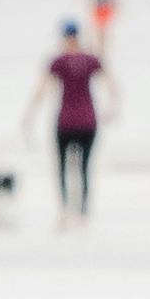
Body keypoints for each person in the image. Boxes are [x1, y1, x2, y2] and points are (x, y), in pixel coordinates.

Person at [33, 18, 110, 220]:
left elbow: (43, 89)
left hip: (66, 122)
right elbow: (110, 82)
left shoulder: (59, 61)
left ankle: (66, 210)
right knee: (84, 167)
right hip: (88, 121)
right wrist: (112, 108)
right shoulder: (90, 59)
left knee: (63, 167)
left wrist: (29, 115)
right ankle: (82, 211)